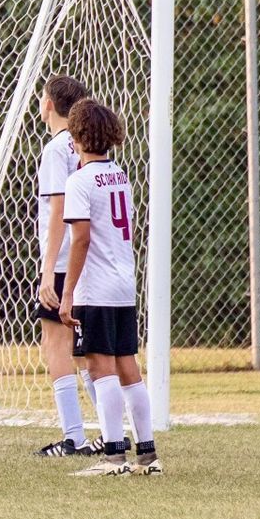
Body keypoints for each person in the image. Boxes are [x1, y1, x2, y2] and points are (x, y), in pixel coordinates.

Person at [57, 99, 158, 477]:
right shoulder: (119, 175)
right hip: (122, 285)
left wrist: (67, 293)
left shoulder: (79, 181)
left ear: (77, 137)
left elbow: (80, 239)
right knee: (128, 367)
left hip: (95, 288)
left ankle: (115, 455)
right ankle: (147, 453)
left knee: (101, 368)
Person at [31, 74, 98, 457]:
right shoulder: (87, 147)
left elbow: (58, 210)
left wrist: (46, 270)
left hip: (61, 259)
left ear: (49, 105)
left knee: (56, 343)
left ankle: (73, 436)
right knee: (88, 350)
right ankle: (110, 431)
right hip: (87, 258)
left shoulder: (56, 150)